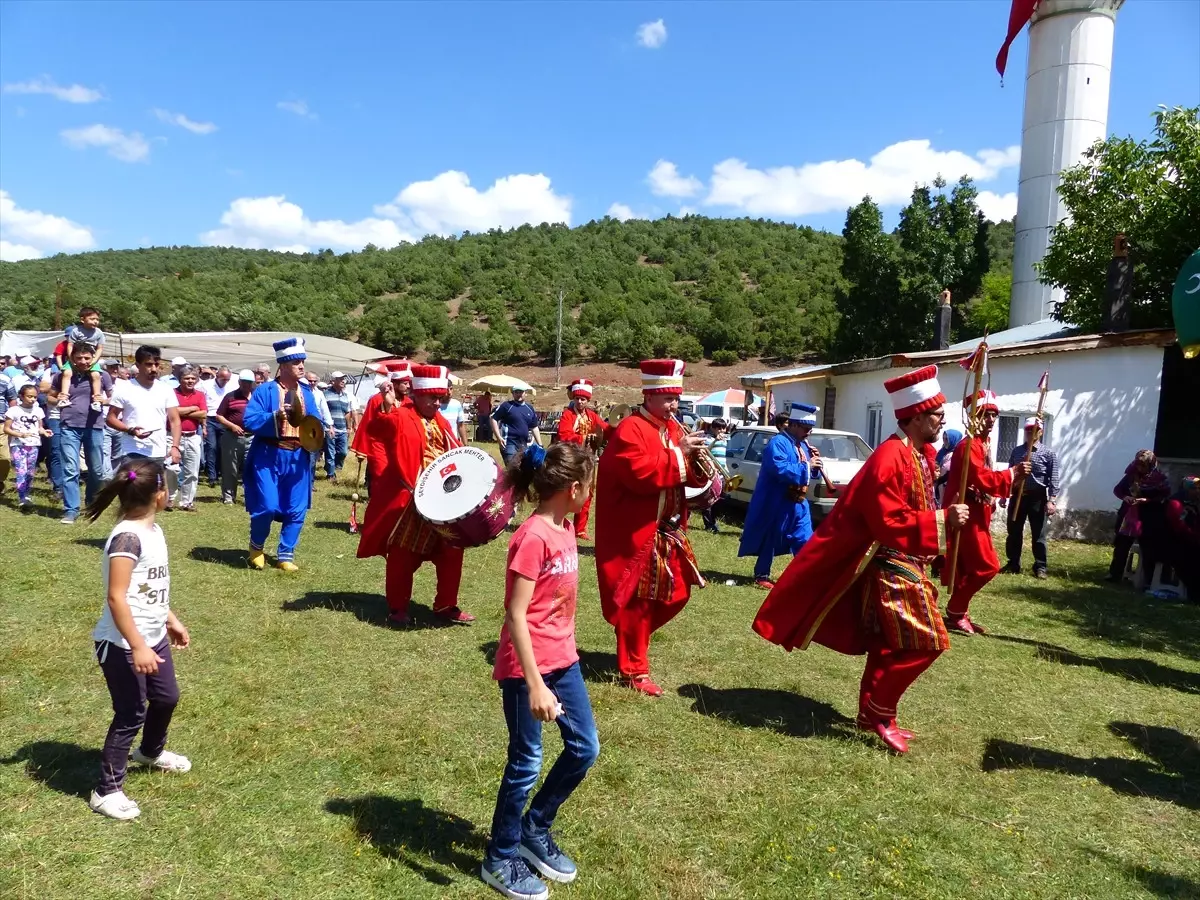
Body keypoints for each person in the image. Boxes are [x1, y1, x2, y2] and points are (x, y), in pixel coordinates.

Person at [752, 366, 971, 754]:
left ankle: (874, 717)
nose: (943, 422)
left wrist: (942, 529)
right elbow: (887, 521)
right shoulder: (890, 457)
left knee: (889, 644)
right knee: (929, 642)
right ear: (916, 416)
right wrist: (941, 521)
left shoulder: (918, 454)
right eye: (937, 415)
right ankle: (878, 709)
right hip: (890, 561)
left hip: (908, 558)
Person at [481, 442, 599, 900]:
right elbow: (516, 614)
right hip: (525, 667)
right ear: (573, 489)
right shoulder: (533, 537)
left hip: (563, 661)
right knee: (526, 763)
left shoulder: (565, 527)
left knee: (585, 748)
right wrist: (534, 684)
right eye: (589, 486)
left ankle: (535, 828)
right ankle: (500, 857)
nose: (590, 493)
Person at [85, 457, 192, 821]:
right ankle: (106, 790)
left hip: (153, 635)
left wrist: (171, 620)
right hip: (121, 644)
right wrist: (139, 645)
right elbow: (117, 596)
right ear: (160, 494)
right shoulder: (127, 538)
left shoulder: (154, 532)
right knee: (131, 712)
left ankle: (150, 752)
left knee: (167, 698)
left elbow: (150, 589)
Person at [595, 359, 709, 696]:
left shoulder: (674, 430)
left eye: (676, 398)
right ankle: (634, 669)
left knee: (677, 593)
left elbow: (686, 472)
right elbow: (639, 474)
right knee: (638, 602)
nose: (674, 405)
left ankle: (635, 641)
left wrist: (700, 463)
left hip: (667, 530)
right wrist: (678, 454)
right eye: (667, 398)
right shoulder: (631, 428)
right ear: (648, 396)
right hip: (637, 532)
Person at [356, 364, 475, 626]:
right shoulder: (402, 415)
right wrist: (386, 407)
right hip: (411, 499)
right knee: (403, 553)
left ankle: (446, 605)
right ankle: (398, 608)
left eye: (441, 398)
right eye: (433, 398)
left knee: (452, 549)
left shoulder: (439, 420)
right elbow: (377, 429)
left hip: (441, 499)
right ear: (418, 395)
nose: (437, 403)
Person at [940, 391, 1030, 635]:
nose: (991, 420)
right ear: (972, 417)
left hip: (978, 513)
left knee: (971, 567)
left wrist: (1014, 477)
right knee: (987, 566)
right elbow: (980, 477)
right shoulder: (968, 445)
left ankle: (959, 612)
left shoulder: (981, 444)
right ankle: (956, 610)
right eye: (985, 414)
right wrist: (1012, 473)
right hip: (965, 515)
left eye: (994, 415)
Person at [242, 338, 319, 571]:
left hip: (298, 457)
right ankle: (256, 547)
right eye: (297, 362)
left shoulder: (307, 393)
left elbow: (317, 423)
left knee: (296, 508)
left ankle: (285, 554)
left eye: (303, 362)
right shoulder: (265, 391)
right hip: (269, 454)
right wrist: (276, 415)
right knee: (267, 505)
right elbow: (249, 420)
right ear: (283, 366)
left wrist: (317, 430)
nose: (302, 367)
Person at [738, 403, 821, 588]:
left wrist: (815, 466)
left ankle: (805, 577)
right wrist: (808, 465)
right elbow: (780, 469)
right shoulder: (778, 443)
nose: (808, 433)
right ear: (793, 425)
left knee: (805, 539)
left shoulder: (802, 444)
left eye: (810, 430)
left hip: (799, 502)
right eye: (806, 429)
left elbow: (807, 473)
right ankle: (762, 574)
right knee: (772, 537)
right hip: (778, 500)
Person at [105, 346, 183, 519]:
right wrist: (130, 430)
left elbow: (175, 420)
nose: (153, 369)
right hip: (131, 451)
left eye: (156, 364)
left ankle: (146, 529)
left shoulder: (165, 389)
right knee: (130, 495)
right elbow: (111, 418)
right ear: (138, 365)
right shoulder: (125, 388)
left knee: (155, 497)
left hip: (157, 451)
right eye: (148, 364)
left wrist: (175, 446)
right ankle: (125, 531)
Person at [50, 341, 114, 521]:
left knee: (97, 470)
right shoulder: (62, 375)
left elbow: (114, 399)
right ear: (72, 357)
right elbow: (49, 397)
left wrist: (103, 400)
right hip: (69, 426)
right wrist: (58, 399)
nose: (83, 361)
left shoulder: (102, 376)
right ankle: (71, 509)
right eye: (79, 358)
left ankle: (91, 503)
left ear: (93, 357)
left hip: (94, 427)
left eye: (87, 358)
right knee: (71, 469)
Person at [554, 378, 611, 542]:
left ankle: (580, 529)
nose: (580, 401)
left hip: (588, 459)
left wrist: (617, 426)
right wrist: (585, 437)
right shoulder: (568, 414)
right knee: (565, 491)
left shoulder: (592, 416)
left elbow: (606, 431)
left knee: (586, 493)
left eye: (583, 399)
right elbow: (564, 435)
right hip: (570, 458)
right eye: (577, 398)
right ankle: (556, 520)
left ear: (588, 400)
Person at [1003, 418, 1060, 578]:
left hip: (1037, 498)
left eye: (1034, 430)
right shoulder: (1017, 451)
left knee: (1039, 534)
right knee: (1014, 531)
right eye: (1028, 430)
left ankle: (1040, 566)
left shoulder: (1048, 453)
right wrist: (1005, 494)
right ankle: (1013, 563)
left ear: (1040, 432)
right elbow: (1010, 474)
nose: (1030, 433)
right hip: (1018, 496)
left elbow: (1053, 477)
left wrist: (1052, 500)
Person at [1106, 449, 1172, 584]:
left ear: (1151, 464)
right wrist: (1126, 497)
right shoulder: (1130, 475)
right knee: (1121, 546)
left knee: (1148, 547)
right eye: (1138, 465)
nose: (1140, 468)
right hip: (1128, 515)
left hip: (1148, 517)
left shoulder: (1159, 478)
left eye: (1143, 465)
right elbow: (1118, 489)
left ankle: (1148, 579)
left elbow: (1164, 497)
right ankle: (1115, 574)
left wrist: (1147, 501)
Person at [351, 361, 411, 493]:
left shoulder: (409, 402)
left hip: (401, 448)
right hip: (380, 447)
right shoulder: (377, 400)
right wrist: (362, 449)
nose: (408, 386)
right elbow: (367, 423)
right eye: (405, 383)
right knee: (379, 479)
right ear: (394, 384)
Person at [5, 383, 52, 509]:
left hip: (34, 444)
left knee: (30, 472)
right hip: (18, 444)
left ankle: (26, 494)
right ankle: (21, 497)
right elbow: (6, 429)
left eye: (35, 397)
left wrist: (44, 432)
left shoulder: (38, 410)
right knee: (22, 470)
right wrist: (20, 434)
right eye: (29, 396)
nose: (32, 399)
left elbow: (39, 427)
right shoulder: (13, 411)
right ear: (21, 396)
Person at [214, 370, 256, 504]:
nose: (246, 385)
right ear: (239, 382)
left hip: (253, 437)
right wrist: (232, 425)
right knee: (230, 467)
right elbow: (219, 415)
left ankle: (250, 495)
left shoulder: (257, 396)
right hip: (232, 436)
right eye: (243, 383)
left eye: (249, 383)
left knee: (251, 467)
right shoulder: (230, 396)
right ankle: (228, 496)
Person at [56, 306, 108, 413]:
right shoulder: (76, 331)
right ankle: (64, 398)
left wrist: (94, 361)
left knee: (96, 375)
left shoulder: (98, 333)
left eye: (97, 319)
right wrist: (71, 359)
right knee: (67, 373)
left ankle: (96, 400)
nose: (95, 321)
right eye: (92, 319)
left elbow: (100, 348)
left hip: (91, 359)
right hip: (75, 357)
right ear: (82, 319)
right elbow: (70, 345)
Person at [172, 367, 207, 512]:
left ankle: (187, 501)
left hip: (192, 436)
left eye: (193, 378)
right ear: (180, 379)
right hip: (173, 436)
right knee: (171, 469)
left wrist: (181, 411)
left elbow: (204, 413)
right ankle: (169, 499)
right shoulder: (172, 393)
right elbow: (171, 412)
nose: (190, 381)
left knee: (192, 471)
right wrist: (193, 408)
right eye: (187, 378)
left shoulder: (200, 394)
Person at [200, 366, 239, 488]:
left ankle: (220, 472)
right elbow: (201, 403)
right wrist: (204, 423)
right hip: (210, 418)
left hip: (223, 419)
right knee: (212, 447)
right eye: (223, 379)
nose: (225, 382)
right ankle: (212, 476)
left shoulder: (231, 386)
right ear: (217, 376)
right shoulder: (205, 385)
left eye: (227, 379)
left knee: (223, 447)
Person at [1163, 475, 1200, 597]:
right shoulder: (1175, 503)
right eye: (1194, 488)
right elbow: (1179, 527)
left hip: (1189, 542)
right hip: (1174, 543)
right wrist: (1195, 537)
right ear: (1185, 489)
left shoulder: (1193, 504)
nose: (1197, 491)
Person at [322, 371, 360, 481]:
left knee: (343, 452)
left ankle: (335, 467)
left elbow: (347, 412)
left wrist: (349, 427)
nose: (343, 381)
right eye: (340, 379)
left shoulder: (345, 396)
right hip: (330, 428)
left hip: (343, 428)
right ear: (333, 381)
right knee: (330, 451)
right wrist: (327, 425)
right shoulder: (326, 394)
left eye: (343, 378)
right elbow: (323, 411)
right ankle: (330, 474)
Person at [492, 386, 541, 467]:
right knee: (512, 469)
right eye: (516, 392)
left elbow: (534, 427)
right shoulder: (506, 406)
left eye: (521, 392)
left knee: (523, 469)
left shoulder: (529, 408)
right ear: (513, 394)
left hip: (524, 444)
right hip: (509, 443)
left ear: (525, 393)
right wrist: (498, 437)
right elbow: (493, 418)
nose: (519, 394)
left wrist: (540, 445)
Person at [701, 418, 731, 534]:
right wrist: (714, 441)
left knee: (720, 499)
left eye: (723, 428)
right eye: (718, 428)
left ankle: (713, 521)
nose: (721, 430)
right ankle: (709, 524)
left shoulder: (725, 440)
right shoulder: (707, 439)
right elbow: (705, 451)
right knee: (709, 499)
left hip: (722, 473)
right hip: (711, 473)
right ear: (713, 428)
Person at [934, 429, 963, 506]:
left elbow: (946, 468)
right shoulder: (942, 451)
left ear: (953, 439)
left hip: (947, 484)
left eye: (947, 439)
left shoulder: (956, 454)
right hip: (938, 483)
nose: (944, 441)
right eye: (943, 439)